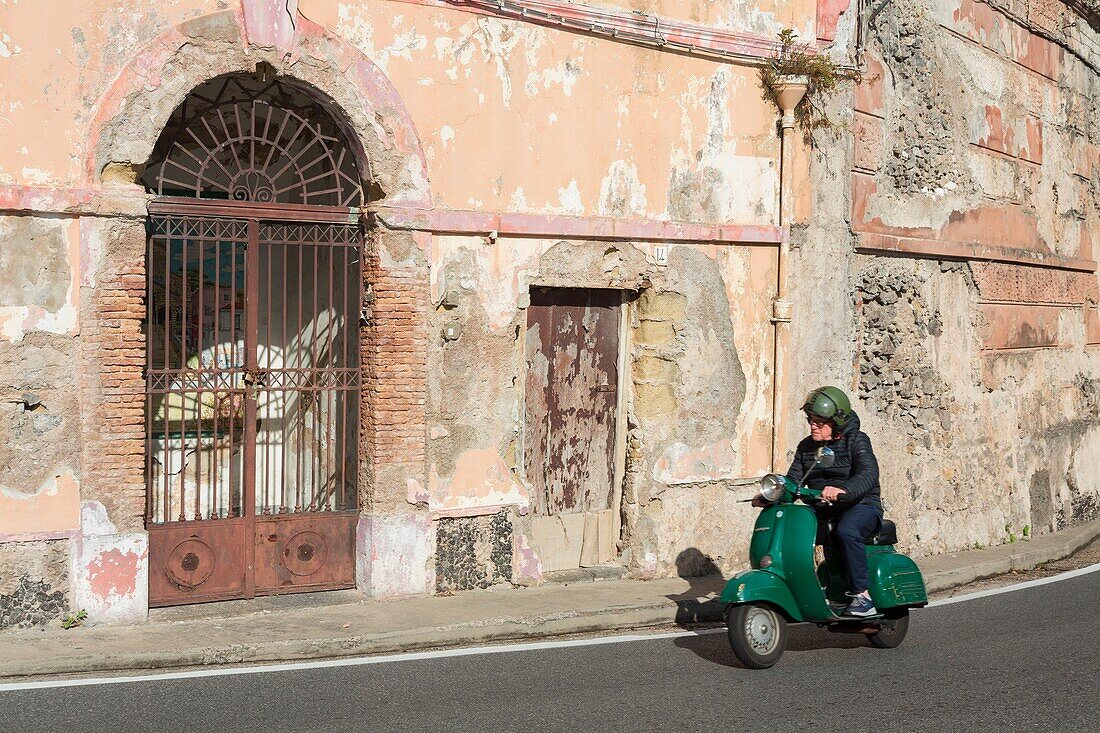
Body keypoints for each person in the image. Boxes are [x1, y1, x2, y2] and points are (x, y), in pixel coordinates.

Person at [754, 386, 883, 617]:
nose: (813, 425)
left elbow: (868, 474)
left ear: (836, 423)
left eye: (820, 422)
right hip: (824, 509)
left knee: (846, 530)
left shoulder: (857, 441)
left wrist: (843, 489)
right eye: (811, 420)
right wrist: (771, 494)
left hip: (861, 506)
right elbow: (795, 480)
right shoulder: (806, 447)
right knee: (793, 534)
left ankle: (863, 596)